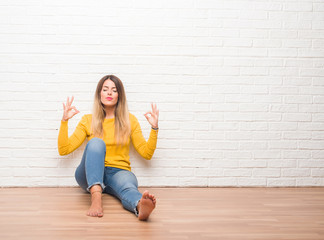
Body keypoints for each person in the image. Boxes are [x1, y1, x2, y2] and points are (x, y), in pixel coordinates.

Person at [57, 75, 159, 220]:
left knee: (128, 187)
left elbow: (146, 153)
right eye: (105, 89)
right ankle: (96, 198)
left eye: (114, 90)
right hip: (88, 174)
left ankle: (140, 206)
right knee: (96, 143)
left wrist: (154, 128)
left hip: (118, 172)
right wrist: (64, 121)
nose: (109, 93)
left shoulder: (130, 121)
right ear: (99, 94)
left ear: (119, 96)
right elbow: (64, 149)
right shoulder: (88, 120)